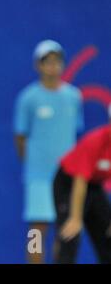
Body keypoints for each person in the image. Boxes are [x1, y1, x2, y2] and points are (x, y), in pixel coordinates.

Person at [13, 40, 84, 263]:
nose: (53, 67)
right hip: (39, 177)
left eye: (57, 61)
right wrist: (35, 164)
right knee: (37, 229)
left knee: (64, 229)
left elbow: (75, 134)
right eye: (48, 62)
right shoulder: (28, 98)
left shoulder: (74, 97)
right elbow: (21, 138)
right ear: (38, 66)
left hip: (67, 177)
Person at [53, 105, 111, 264]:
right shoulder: (96, 140)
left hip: (94, 186)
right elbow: (80, 181)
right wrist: (75, 218)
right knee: (70, 235)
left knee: (108, 234)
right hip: (68, 184)